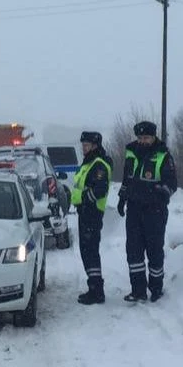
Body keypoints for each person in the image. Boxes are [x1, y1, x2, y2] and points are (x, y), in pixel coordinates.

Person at [117, 120, 177, 302]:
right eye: (140, 137)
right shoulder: (131, 154)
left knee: (154, 251)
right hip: (134, 209)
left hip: (155, 211)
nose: (143, 141)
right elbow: (127, 180)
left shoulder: (163, 156)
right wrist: (122, 198)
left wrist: (158, 195)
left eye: (146, 138)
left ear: (153, 137)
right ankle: (138, 290)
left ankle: (156, 288)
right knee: (133, 250)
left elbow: (172, 184)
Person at [71, 131, 112, 305]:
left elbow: (100, 189)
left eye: (87, 145)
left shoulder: (98, 164)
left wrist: (85, 200)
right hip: (85, 213)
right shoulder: (88, 163)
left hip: (92, 213)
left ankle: (97, 291)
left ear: (95, 146)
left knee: (90, 253)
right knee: (86, 252)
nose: (83, 148)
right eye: (83, 145)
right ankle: (93, 287)